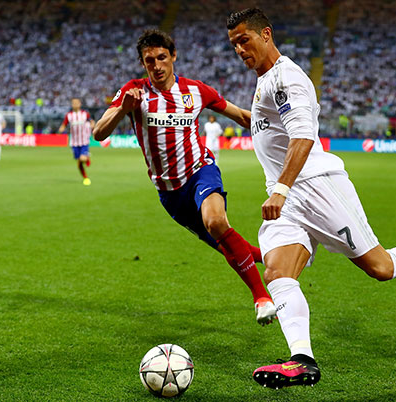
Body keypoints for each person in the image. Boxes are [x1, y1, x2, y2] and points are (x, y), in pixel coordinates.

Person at [227, 8, 396, 389]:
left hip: (317, 187)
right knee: (277, 273)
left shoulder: (287, 78)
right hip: (287, 198)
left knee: (380, 268)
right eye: (234, 43)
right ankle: (302, 360)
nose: (239, 49)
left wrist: (282, 189)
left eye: (244, 39)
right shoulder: (266, 81)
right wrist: (221, 106)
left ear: (265, 34)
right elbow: (267, 127)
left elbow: (302, 136)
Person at [92, 29, 276, 325]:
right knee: (225, 244)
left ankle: (262, 297)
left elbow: (241, 116)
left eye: (162, 57)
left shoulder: (195, 91)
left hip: (200, 170)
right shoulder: (134, 91)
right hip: (170, 193)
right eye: (149, 60)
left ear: (173, 56)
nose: (157, 65)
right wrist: (123, 109)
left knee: (217, 222)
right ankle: (278, 257)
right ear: (143, 64)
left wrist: (287, 128)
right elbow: (99, 132)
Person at [58, 98, 96, 186]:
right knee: (79, 162)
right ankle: (85, 177)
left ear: (80, 104)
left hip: (84, 140)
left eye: (76, 103)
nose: (75, 104)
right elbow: (64, 125)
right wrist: (61, 130)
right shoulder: (69, 115)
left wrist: (92, 125)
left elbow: (91, 121)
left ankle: (86, 159)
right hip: (74, 142)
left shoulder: (84, 114)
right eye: (73, 103)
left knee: (82, 159)